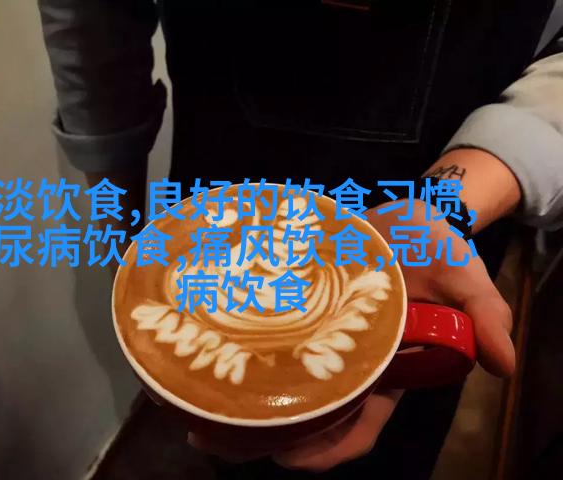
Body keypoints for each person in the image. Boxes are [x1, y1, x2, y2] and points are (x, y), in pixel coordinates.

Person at [38, 1, 563, 478]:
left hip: (435, 234)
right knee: (227, 453)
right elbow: (91, 18)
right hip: (216, 207)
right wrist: (119, 220)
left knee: (393, 453)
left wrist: (442, 205)